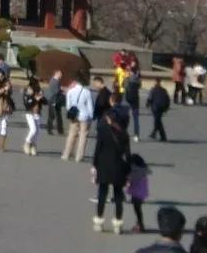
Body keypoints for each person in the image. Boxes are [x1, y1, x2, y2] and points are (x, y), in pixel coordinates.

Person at [91, 100, 131, 232]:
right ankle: (117, 223)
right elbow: (128, 155)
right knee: (118, 196)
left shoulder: (103, 131)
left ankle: (99, 220)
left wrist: (94, 165)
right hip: (118, 166)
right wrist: (128, 171)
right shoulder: (124, 134)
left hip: (103, 165)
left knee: (102, 194)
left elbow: (98, 149)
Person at [64, 74, 96, 161]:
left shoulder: (70, 91)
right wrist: (91, 116)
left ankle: (66, 154)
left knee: (71, 134)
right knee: (83, 136)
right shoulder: (87, 92)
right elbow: (90, 107)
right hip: (84, 115)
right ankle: (79, 156)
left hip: (74, 115)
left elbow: (68, 106)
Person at [126, 151, 153, 233]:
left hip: (135, 193)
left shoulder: (134, 171)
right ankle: (139, 224)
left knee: (137, 210)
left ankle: (140, 225)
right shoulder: (144, 170)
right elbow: (149, 172)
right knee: (138, 209)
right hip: (142, 193)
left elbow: (129, 180)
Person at [124, 67, 144, 137]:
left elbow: (124, 86)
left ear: (130, 72)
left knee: (125, 116)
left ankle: (124, 132)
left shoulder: (127, 78)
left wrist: (126, 77)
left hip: (127, 98)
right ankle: (136, 135)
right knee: (136, 118)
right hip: (135, 99)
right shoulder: (138, 80)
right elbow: (140, 86)